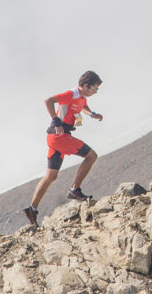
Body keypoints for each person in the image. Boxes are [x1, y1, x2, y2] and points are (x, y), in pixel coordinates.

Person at [23, 71, 104, 227]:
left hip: (55, 138)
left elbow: (83, 106)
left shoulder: (82, 97)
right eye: (94, 89)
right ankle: (75, 190)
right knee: (91, 156)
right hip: (60, 136)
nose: (95, 92)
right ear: (86, 86)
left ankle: (32, 209)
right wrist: (56, 121)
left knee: (51, 176)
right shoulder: (71, 94)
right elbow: (49, 101)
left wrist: (92, 114)